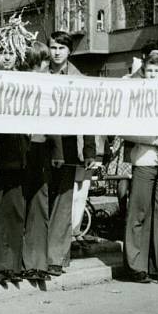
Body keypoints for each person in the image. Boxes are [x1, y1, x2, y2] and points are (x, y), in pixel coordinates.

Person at [122, 52, 158, 283]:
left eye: (157, 71)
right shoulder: (136, 98)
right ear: (144, 72)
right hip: (144, 160)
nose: (153, 75)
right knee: (139, 212)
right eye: (149, 71)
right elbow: (124, 129)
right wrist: (151, 140)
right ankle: (136, 265)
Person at [46, 31, 98, 276]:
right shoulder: (40, 75)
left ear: (69, 52)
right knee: (41, 199)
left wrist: (90, 150)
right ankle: (37, 254)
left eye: (61, 48)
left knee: (64, 202)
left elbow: (87, 116)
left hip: (68, 146)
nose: (57, 52)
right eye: (53, 47)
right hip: (42, 144)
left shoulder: (78, 78)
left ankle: (57, 256)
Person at [0, 45, 29, 283]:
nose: (7, 57)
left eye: (11, 53)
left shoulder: (23, 82)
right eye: (2, 52)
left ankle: (13, 265)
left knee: (14, 212)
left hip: (19, 153)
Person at [21, 42, 54, 281]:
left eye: (44, 62)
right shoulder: (20, 81)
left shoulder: (51, 82)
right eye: (38, 63)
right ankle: (21, 261)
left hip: (42, 147)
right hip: (21, 147)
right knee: (20, 203)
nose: (42, 67)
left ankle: (38, 262)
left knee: (40, 203)